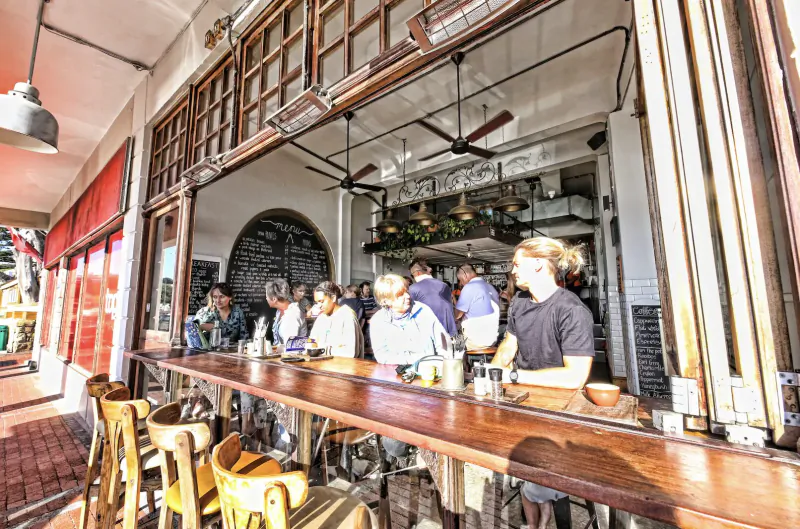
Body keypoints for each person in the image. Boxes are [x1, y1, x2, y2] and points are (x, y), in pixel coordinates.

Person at [491, 237, 594, 529]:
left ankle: (538, 503)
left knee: (534, 480)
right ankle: (535, 508)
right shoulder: (520, 303)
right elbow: (509, 345)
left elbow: (575, 376)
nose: (513, 270)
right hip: (522, 406)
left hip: (559, 413)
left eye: (516, 264)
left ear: (537, 264)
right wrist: (494, 371)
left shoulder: (571, 310)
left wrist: (513, 375)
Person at [369, 274, 449, 365]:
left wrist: (444, 363)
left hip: (427, 369)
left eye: (407, 291)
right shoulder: (378, 320)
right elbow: (381, 355)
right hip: (394, 371)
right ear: (386, 300)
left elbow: (443, 343)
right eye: (400, 294)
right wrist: (415, 359)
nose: (407, 296)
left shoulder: (423, 311)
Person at [309, 282, 364, 358]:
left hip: (342, 364)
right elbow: (312, 340)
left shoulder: (347, 316)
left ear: (333, 298)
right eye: (317, 302)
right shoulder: (321, 318)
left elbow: (350, 352)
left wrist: (323, 349)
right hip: (321, 364)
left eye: (321, 301)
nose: (319, 306)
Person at [455, 264, 500, 350]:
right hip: (493, 339)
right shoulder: (491, 287)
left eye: (460, 280)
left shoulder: (469, 287)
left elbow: (457, 315)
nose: (461, 283)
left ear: (465, 276)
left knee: (454, 340)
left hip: (475, 341)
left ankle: (460, 358)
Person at [408, 259, 457, 336]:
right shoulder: (444, 285)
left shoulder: (413, 288)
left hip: (431, 332)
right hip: (450, 331)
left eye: (412, 275)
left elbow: (408, 312)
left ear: (417, 273)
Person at [267, 278, 308, 344]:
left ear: (274, 299)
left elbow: (290, 346)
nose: (266, 298)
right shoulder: (279, 311)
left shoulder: (291, 316)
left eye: (267, 296)